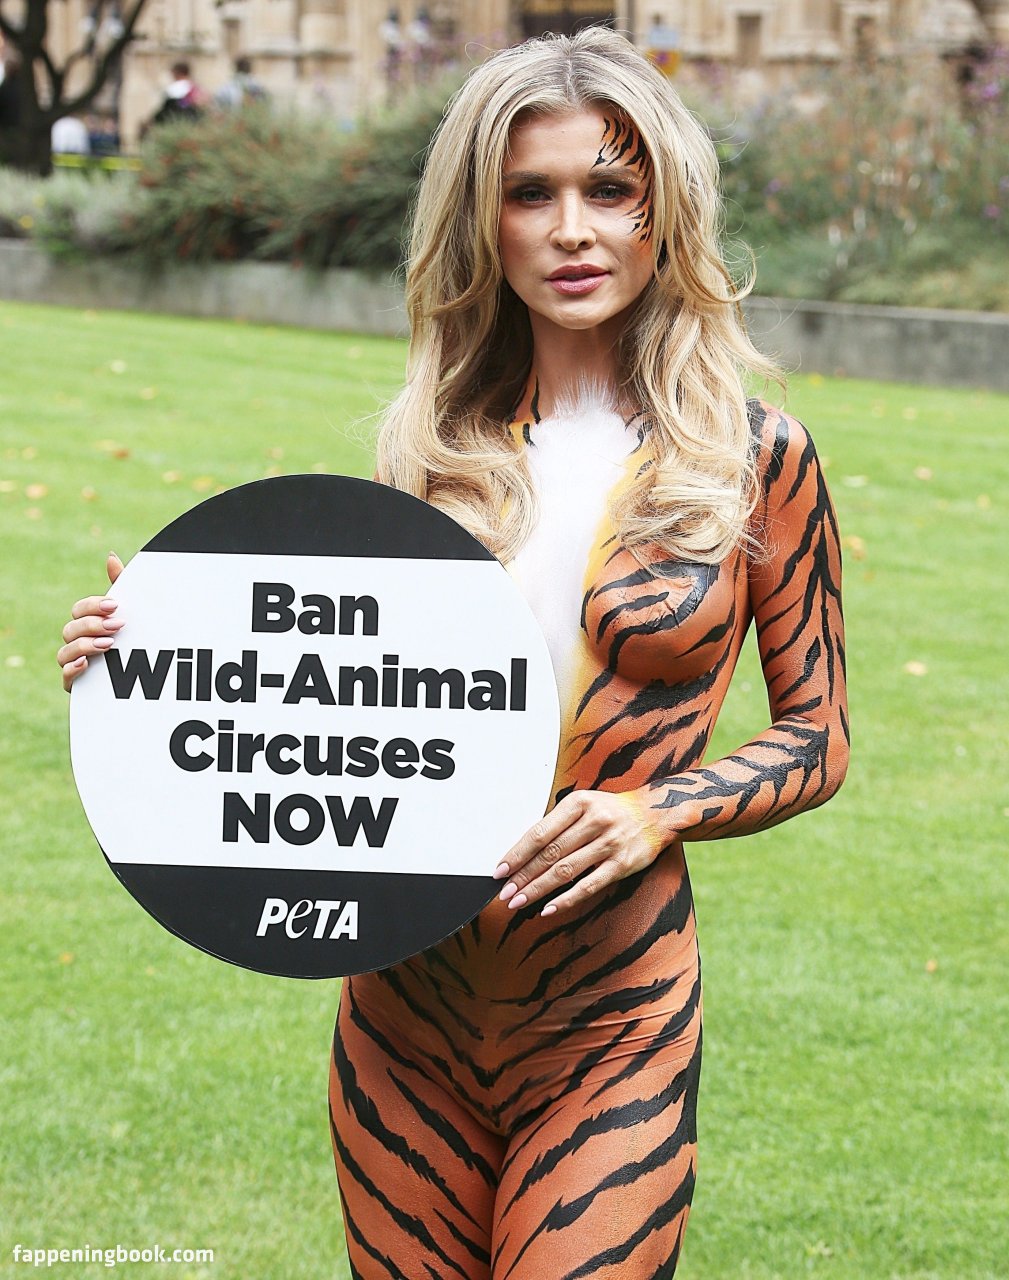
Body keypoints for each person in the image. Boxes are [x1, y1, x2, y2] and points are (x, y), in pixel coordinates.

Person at [57, 26, 848, 1278]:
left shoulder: (757, 459)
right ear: (483, 219)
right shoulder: (424, 455)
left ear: (665, 212)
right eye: (531, 193)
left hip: (612, 1012)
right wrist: (149, 651)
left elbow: (818, 733)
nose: (573, 229)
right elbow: (319, 693)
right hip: (401, 1015)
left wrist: (656, 809)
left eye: (610, 188)